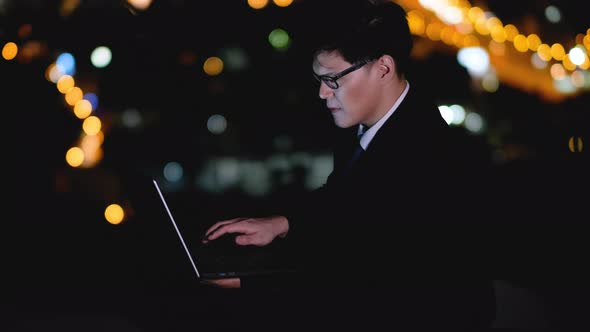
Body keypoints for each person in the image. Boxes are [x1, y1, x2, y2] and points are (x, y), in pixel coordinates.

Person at [201, 0, 496, 329]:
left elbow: (371, 283)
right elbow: (345, 200)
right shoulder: (372, 123)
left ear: (383, 68)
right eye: (319, 80)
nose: (323, 94)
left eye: (333, 80)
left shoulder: (432, 159)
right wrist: (282, 223)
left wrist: (256, 284)